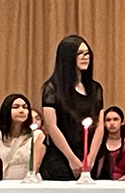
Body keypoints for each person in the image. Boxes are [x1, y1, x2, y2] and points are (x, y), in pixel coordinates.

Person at [40, 35, 105, 180]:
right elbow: (51, 126)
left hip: (89, 157)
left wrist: (91, 157)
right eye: (79, 54)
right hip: (62, 156)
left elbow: (100, 125)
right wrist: (72, 159)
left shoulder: (95, 88)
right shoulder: (52, 88)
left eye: (87, 53)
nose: (85, 57)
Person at [0, 94, 46, 180]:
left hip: (26, 185)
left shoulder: (37, 136)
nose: (21, 111)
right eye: (16, 107)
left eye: (25, 107)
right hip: (1, 184)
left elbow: (34, 169)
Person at [94, 106, 125, 180]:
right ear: (104, 123)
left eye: (115, 119)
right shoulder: (99, 145)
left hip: (122, 186)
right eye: (108, 120)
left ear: (122, 122)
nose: (112, 123)